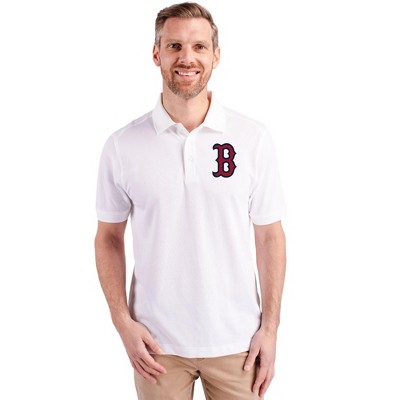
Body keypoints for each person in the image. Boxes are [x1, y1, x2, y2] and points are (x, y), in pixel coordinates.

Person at [94, 2, 286, 399]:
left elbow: (270, 235)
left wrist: (270, 329)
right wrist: (122, 323)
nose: (187, 58)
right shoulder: (122, 145)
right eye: (174, 46)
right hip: (156, 346)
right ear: (156, 54)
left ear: (216, 55)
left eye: (199, 46)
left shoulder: (252, 138)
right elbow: (108, 237)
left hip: (238, 343)